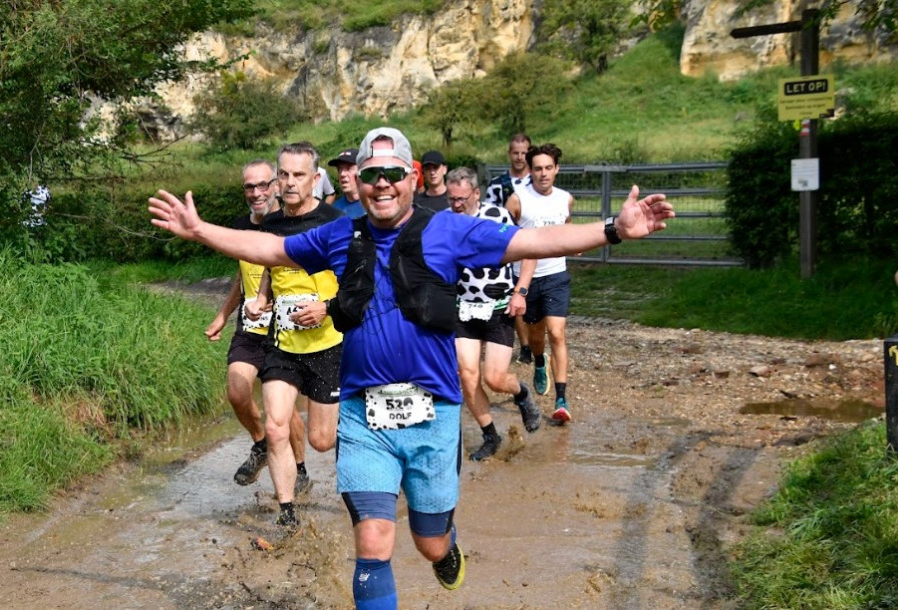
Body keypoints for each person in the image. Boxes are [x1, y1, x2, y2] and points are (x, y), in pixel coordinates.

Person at [149, 126, 673, 608]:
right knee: (373, 539)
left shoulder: (448, 231)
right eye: (371, 174)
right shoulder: (340, 235)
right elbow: (269, 246)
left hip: (434, 413)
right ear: (360, 180)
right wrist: (201, 231)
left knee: (427, 540)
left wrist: (613, 230)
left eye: (393, 174)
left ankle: (446, 550)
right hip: (362, 414)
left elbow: (533, 241)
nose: (381, 185)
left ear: (411, 178)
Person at [243, 142, 344, 529]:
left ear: (315, 179)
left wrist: (325, 307)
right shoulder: (270, 224)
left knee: (321, 440)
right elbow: (270, 265)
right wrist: (262, 299)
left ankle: (361, 429)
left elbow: (356, 283)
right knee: (275, 426)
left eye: (298, 175)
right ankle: (287, 515)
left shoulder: (334, 223)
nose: (288, 182)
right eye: (282, 174)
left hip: (327, 344)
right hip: (282, 341)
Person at [204, 160, 309, 489]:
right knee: (237, 391)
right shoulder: (240, 226)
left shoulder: (291, 224)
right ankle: (262, 444)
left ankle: (300, 469)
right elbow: (242, 274)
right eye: (250, 187)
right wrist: (223, 314)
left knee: (284, 410)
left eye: (264, 185)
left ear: (277, 185)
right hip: (249, 325)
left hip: (284, 328)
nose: (257, 192)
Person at [444, 167, 540, 461]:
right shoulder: (446, 223)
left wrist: (520, 291)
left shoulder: (496, 217)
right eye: (451, 199)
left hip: (498, 308)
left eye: (461, 198)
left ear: (476, 194)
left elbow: (530, 250)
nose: (456, 204)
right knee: (467, 375)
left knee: (495, 378)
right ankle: (491, 435)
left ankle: (522, 393)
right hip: (463, 309)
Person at [507, 143, 577, 424]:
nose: (543, 174)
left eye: (549, 168)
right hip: (526, 277)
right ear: (530, 170)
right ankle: (539, 361)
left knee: (557, 333)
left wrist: (572, 242)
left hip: (556, 274)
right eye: (538, 168)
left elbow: (567, 225)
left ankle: (561, 399)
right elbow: (504, 234)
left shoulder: (565, 198)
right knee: (536, 337)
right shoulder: (517, 200)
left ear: (557, 169)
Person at [485, 133, 535, 364]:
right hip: (509, 245)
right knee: (516, 293)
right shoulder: (498, 185)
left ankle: (536, 343)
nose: (519, 157)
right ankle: (525, 345)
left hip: (537, 243)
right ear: (509, 154)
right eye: (515, 152)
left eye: (524, 153)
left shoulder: (537, 182)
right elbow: (489, 215)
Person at [328, 148, 365, 219]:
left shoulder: (374, 204)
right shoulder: (335, 210)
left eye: (349, 168)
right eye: (339, 169)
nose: (342, 174)